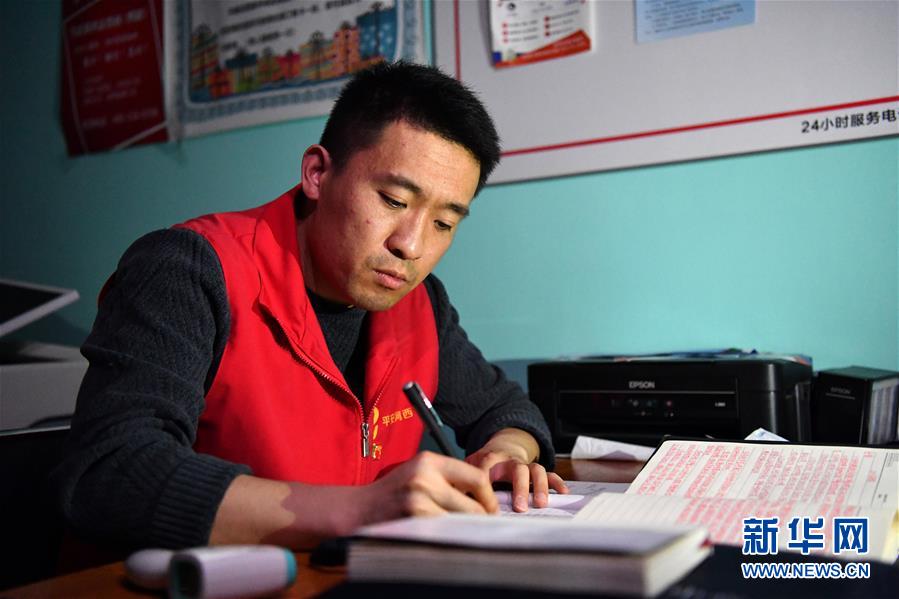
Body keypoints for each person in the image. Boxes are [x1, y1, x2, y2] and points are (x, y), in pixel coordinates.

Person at [52, 61, 566, 553]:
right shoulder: (190, 269)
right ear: (317, 173)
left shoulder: (421, 304)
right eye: (393, 200)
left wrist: (509, 453)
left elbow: (505, 409)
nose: (411, 245)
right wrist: (361, 510)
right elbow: (111, 472)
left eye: (444, 223)